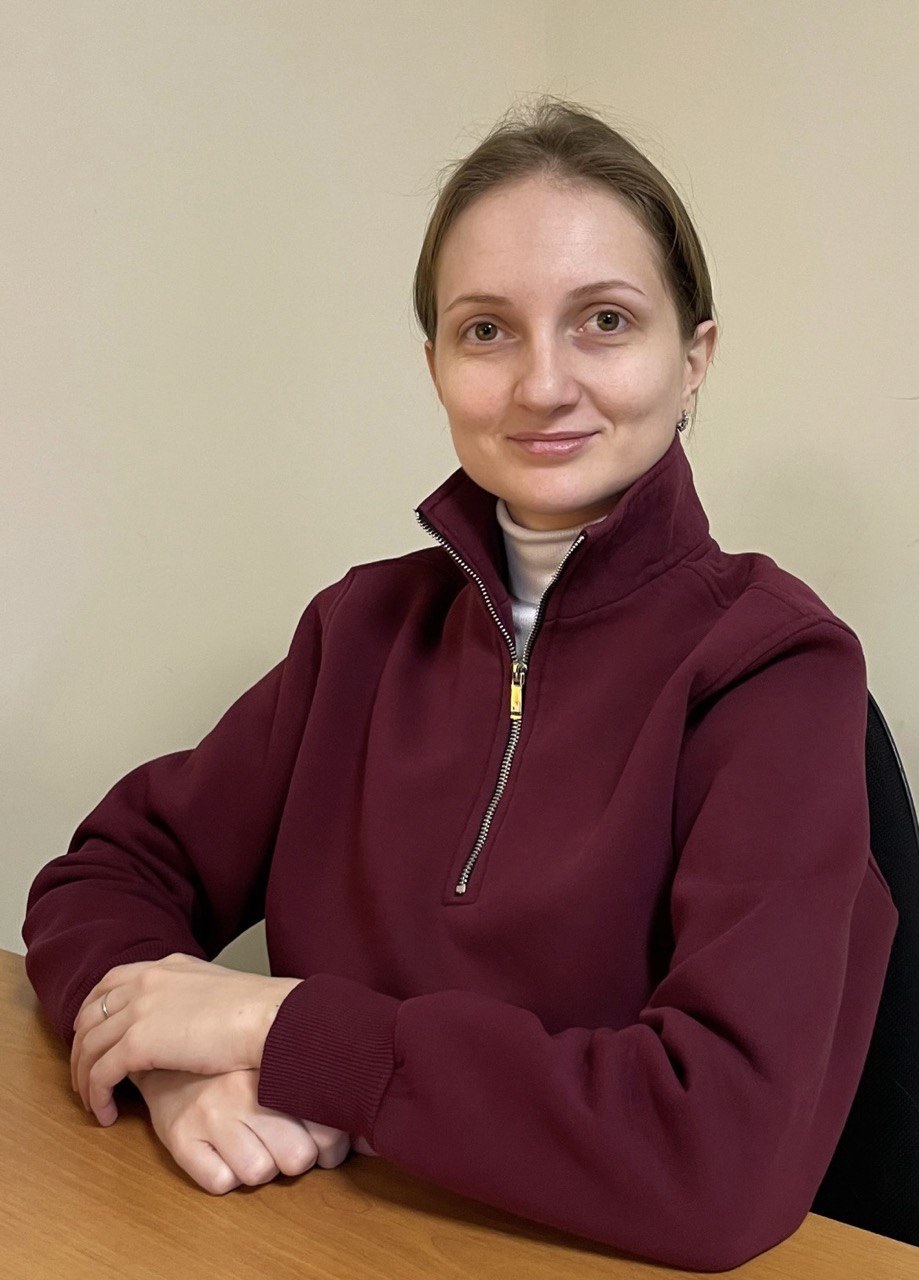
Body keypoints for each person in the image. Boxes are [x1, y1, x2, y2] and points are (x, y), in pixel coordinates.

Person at [23, 98, 898, 1272]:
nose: (542, 383)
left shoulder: (776, 668)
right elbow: (104, 874)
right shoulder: (359, 630)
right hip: (317, 1242)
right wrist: (176, 1062)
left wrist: (278, 1024)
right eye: (486, 329)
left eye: (604, 320)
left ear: (693, 359)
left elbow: (719, 1157)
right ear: (433, 363)